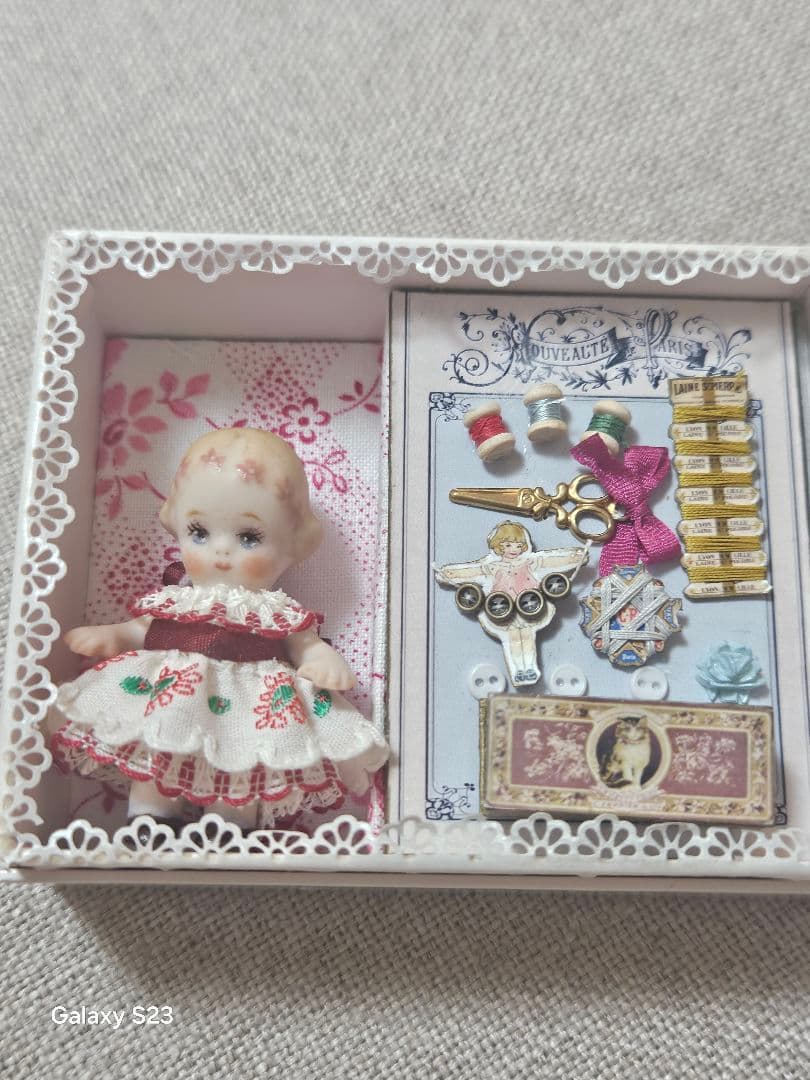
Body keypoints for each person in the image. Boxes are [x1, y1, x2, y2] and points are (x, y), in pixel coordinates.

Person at [51, 427, 389, 832]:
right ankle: (150, 819)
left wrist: (320, 659)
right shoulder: (179, 599)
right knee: (159, 748)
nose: (221, 550)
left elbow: (305, 644)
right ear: (175, 524)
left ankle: (229, 827)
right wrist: (115, 636)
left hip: (248, 704)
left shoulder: (274, 611)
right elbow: (147, 630)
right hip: (172, 698)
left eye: (249, 537)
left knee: (240, 764)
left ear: (296, 544)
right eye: (199, 532)